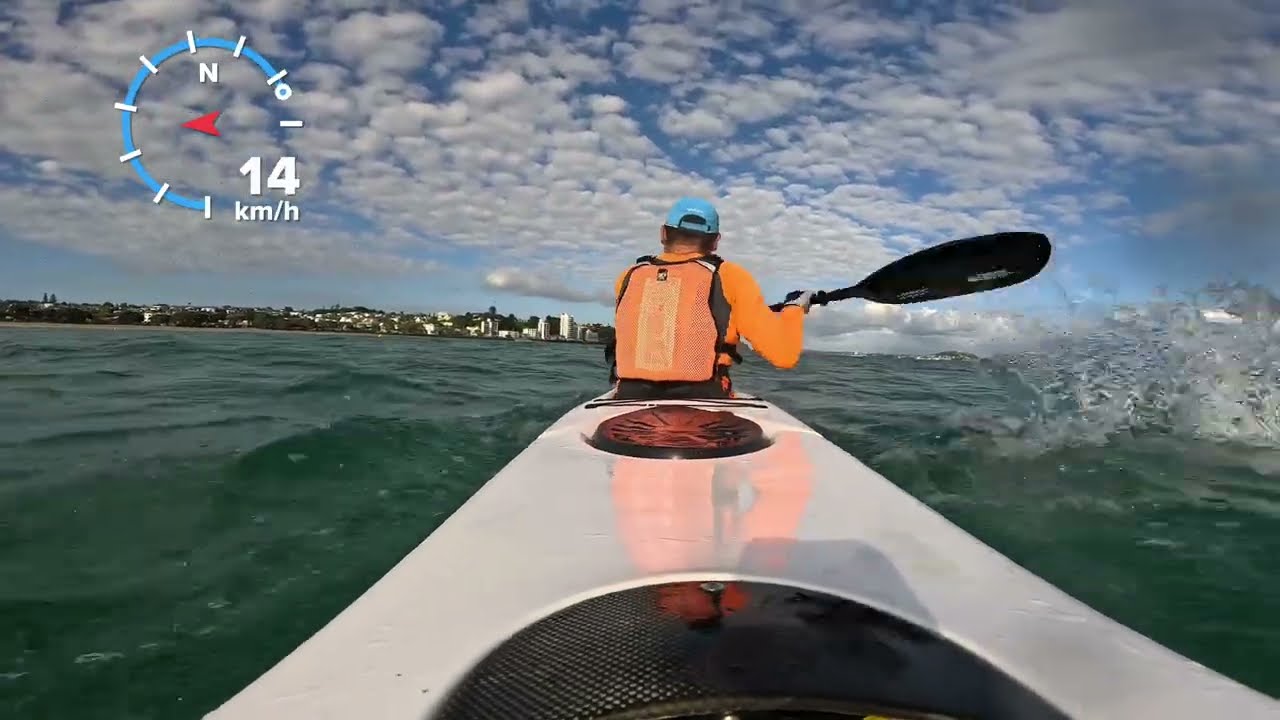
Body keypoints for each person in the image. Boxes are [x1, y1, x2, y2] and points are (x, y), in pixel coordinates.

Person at [606, 196, 816, 399]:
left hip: (628, 395)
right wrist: (794, 309)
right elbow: (784, 356)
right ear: (715, 241)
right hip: (704, 396)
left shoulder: (629, 276)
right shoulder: (730, 276)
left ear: (663, 233)